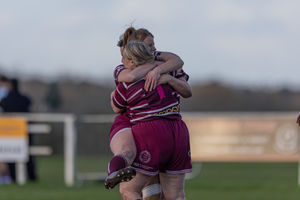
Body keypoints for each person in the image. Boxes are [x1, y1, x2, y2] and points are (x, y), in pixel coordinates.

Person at [105, 27, 191, 199]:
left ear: (130, 58)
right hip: (178, 130)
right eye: (150, 45)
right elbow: (177, 63)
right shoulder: (169, 67)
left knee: (129, 189)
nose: (154, 49)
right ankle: (116, 168)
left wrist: (161, 73)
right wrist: (159, 69)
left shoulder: (128, 79)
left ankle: (113, 170)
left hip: (150, 131)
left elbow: (116, 106)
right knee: (176, 195)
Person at [0, 78, 37, 182]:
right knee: (28, 155)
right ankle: (32, 177)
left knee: (11, 156)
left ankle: (14, 177)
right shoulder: (24, 99)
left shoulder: (5, 100)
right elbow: (30, 102)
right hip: (25, 131)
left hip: (10, 132)